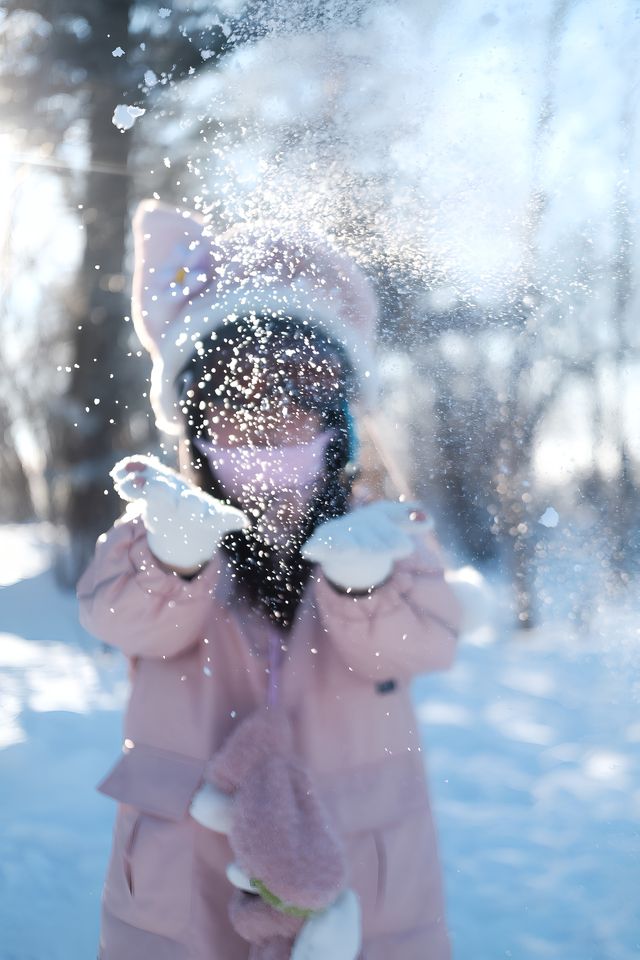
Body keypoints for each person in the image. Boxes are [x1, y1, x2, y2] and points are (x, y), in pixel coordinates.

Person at [77, 200, 463, 960]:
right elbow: (117, 618)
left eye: (298, 396)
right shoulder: (158, 529)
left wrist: (362, 587)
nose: (267, 421)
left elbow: (426, 644)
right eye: (236, 401)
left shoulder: (386, 534)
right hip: (184, 890)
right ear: (192, 423)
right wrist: (175, 560)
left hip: (365, 880)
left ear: (343, 421)